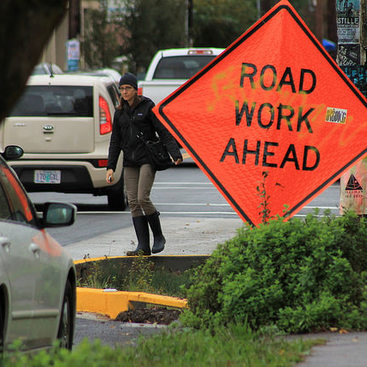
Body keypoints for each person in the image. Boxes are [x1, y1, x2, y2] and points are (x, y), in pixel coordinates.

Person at [106, 72, 183, 256]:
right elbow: (115, 141)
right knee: (132, 201)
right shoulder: (119, 113)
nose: (124, 92)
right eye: (122, 89)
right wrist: (110, 166)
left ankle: (158, 236)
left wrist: (174, 153)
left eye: (128, 88)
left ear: (135, 90)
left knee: (142, 198)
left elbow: (162, 131)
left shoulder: (147, 107)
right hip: (130, 161)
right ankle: (143, 246)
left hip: (148, 158)